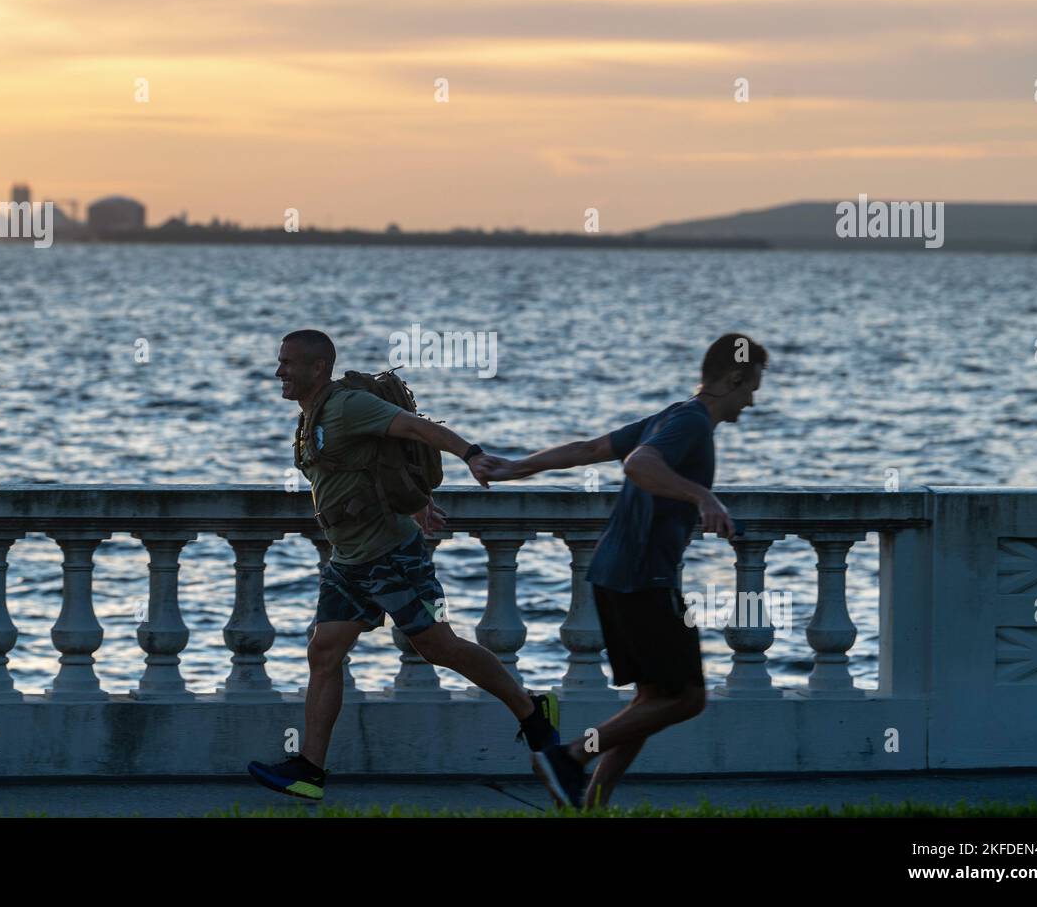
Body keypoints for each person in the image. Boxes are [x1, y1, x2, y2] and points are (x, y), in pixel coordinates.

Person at [246, 329, 559, 800]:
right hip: (349, 561)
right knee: (324, 651)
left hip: (394, 557)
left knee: (440, 647)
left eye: (288, 363)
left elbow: (414, 428)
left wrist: (471, 455)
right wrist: (413, 500)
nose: (278, 372)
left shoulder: (348, 405)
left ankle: (532, 711)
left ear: (317, 368)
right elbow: (370, 463)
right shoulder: (310, 416)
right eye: (279, 361)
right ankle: (309, 772)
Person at [479, 333, 768, 808]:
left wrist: (515, 468)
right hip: (643, 579)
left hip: (615, 573)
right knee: (687, 699)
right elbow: (637, 464)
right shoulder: (690, 424)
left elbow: (589, 449)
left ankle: (592, 800)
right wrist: (704, 496)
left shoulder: (673, 415)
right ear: (735, 376)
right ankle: (569, 757)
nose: (752, 400)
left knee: (651, 701)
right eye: (752, 387)